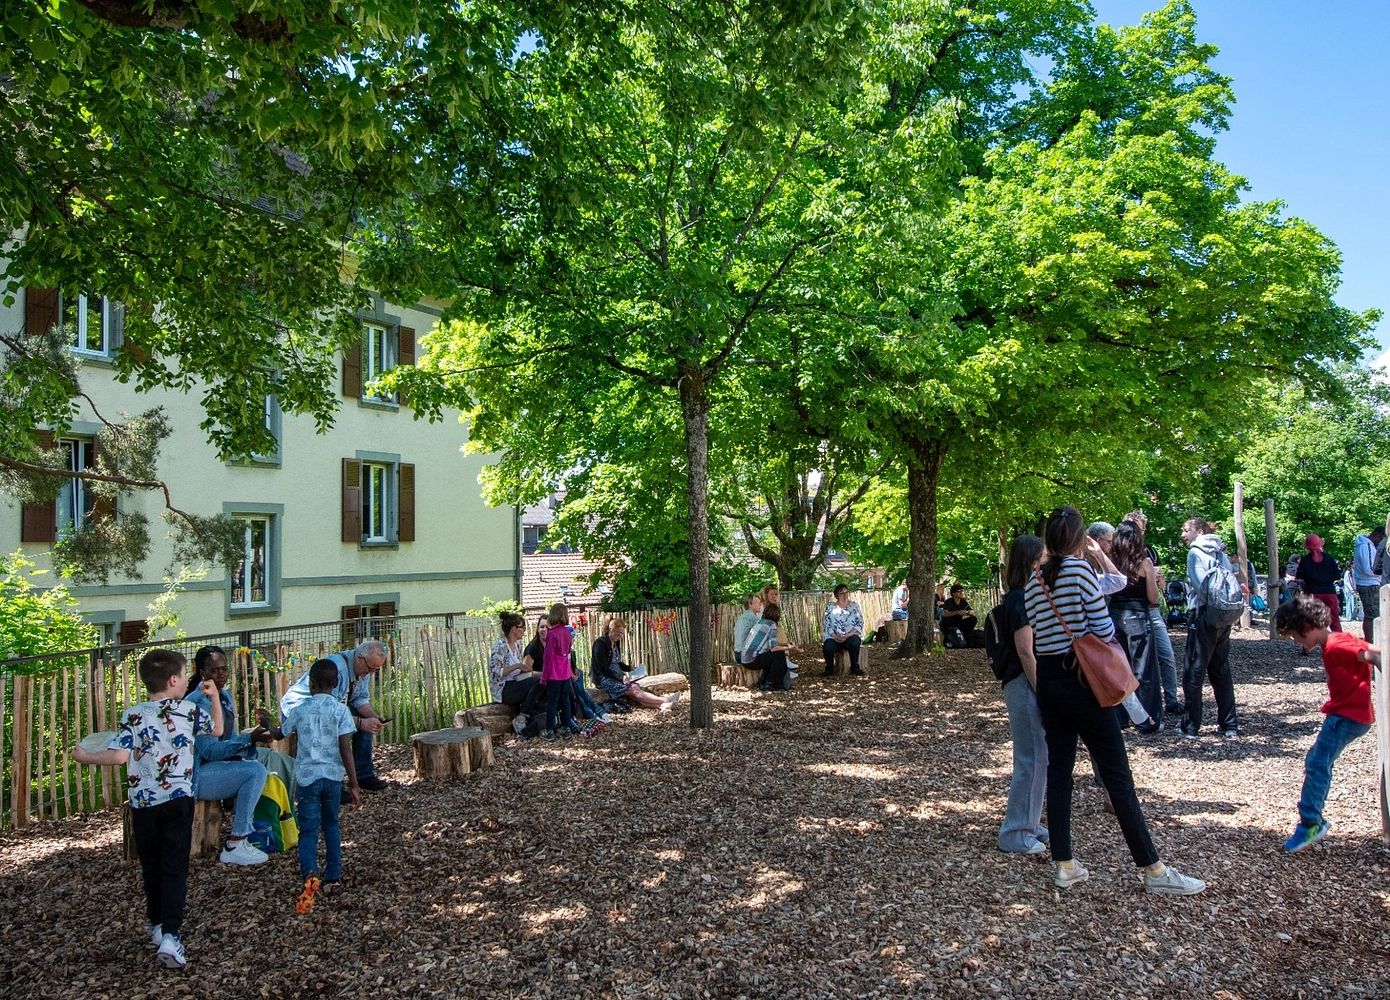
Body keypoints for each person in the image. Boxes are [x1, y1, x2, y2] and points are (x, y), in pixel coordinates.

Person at [1025, 506, 1205, 895]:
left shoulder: (1034, 580)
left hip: (1051, 681)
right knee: (1118, 777)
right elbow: (1103, 627)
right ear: (1077, 539)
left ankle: (1065, 863)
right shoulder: (1079, 572)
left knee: (1060, 773)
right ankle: (1153, 869)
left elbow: (1040, 632)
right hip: (1084, 682)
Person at [72, 649, 222, 968]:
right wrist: (216, 697)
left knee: (151, 865)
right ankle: (171, 935)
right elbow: (218, 731)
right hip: (179, 800)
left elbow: (117, 757)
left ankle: (155, 924)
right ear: (173, 680)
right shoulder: (188, 710)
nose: (187, 681)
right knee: (174, 867)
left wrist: (85, 757)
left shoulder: (134, 714)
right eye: (184, 676)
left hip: (143, 802)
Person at [1273, 595, 1380, 852]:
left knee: (1317, 762)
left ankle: (1311, 822)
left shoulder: (1335, 645)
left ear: (1309, 626)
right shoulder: (1336, 641)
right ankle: (1312, 819)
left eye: (1296, 636)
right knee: (1320, 761)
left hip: (1347, 716)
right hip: (1347, 714)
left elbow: (1376, 653)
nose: (1297, 642)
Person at [260, 658, 360, 912]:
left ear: (311, 684)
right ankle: (334, 877)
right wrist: (355, 784)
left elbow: (280, 733)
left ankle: (310, 873)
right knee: (331, 826)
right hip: (332, 777)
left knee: (308, 830)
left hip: (306, 778)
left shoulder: (300, 709)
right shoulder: (340, 711)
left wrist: (268, 722)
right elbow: (345, 750)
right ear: (336, 683)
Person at [184, 645, 272, 865]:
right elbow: (210, 751)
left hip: (217, 767)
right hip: (196, 776)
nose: (221, 674)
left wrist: (247, 745)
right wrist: (249, 740)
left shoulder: (225, 697)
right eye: (215, 670)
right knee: (255, 771)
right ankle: (236, 841)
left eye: (225, 669)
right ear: (201, 672)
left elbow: (230, 739)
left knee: (265, 764)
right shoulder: (197, 704)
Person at [268, 639, 390, 792]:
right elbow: (328, 713)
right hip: (300, 708)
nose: (371, 673)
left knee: (367, 722)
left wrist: (374, 718)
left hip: (327, 709)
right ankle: (332, 785)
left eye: (375, 670)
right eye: (371, 669)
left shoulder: (362, 668)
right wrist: (360, 723)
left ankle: (363, 775)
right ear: (359, 659)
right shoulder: (337, 668)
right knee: (339, 732)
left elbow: (359, 699)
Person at [993, 534, 1049, 855]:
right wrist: (1043, 692)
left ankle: (1028, 821)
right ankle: (1015, 833)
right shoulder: (1020, 598)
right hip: (1024, 683)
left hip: (1026, 682)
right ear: (1032, 563)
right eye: (1043, 557)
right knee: (1031, 758)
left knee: (1038, 757)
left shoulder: (1027, 596)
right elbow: (1026, 652)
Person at [1180, 518, 1240, 739]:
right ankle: (1229, 724)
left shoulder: (1195, 553)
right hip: (1223, 615)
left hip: (1204, 614)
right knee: (1220, 669)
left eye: (1186, 530)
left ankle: (1191, 725)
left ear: (1199, 531)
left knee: (1194, 669)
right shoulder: (1220, 552)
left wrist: (1208, 606)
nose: (1183, 534)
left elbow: (1199, 585)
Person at [1125, 510, 1183, 715]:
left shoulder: (1150, 552)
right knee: (1132, 660)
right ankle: (1134, 707)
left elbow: (1161, 584)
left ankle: (1171, 699)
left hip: (1151, 610)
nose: (1136, 532)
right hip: (1128, 610)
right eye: (1132, 527)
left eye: (1139, 529)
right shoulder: (1115, 552)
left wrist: (1157, 579)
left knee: (1166, 654)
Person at [1108, 522, 1163, 728]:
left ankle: (1120, 718)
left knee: (1119, 670)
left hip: (1113, 616)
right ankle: (1147, 719)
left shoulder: (1110, 562)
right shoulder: (1144, 563)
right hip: (1138, 616)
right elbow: (1153, 598)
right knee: (1143, 670)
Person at [591, 617, 681, 712]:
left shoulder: (615, 642)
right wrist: (621, 677)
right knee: (633, 690)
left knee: (635, 687)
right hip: (603, 679)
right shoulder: (600, 643)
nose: (621, 636)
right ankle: (666, 700)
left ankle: (662, 706)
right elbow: (603, 668)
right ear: (611, 629)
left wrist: (629, 668)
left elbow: (616, 662)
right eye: (619, 633)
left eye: (622, 633)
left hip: (615, 677)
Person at [490, 612, 544, 735]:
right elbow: (497, 672)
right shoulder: (500, 646)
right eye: (522, 627)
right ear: (514, 629)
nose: (524, 631)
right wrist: (518, 665)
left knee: (542, 679)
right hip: (503, 689)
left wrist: (524, 671)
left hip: (515, 682)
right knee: (538, 681)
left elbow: (516, 673)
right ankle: (522, 718)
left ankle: (529, 715)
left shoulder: (517, 645)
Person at [540, 603, 577, 741]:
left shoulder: (552, 634)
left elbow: (548, 657)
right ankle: (566, 728)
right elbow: (567, 651)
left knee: (552, 702)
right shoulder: (567, 632)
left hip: (554, 674)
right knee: (565, 701)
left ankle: (549, 730)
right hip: (565, 673)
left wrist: (544, 677)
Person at [742, 603, 799, 690]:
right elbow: (773, 648)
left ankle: (766, 681)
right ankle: (772, 683)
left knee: (774, 655)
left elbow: (771, 643)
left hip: (745, 659)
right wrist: (789, 648)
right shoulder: (772, 625)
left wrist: (785, 644)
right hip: (752, 660)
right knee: (779, 654)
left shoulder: (761, 622)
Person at [1295, 533, 1343, 633]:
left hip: (1312, 592)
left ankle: (1307, 646)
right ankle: (1340, 645)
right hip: (1329, 592)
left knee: (1309, 619)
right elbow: (1337, 576)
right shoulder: (1329, 558)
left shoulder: (1305, 560)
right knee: (1334, 619)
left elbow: (1299, 576)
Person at [822, 584, 866, 676]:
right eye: (841, 593)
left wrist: (848, 635)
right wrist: (835, 635)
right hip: (834, 637)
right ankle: (830, 668)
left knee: (854, 642)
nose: (845, 595)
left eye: (846, 592)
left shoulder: (854, 606)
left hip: (850, 635)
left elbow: (859, 623)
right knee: (827, 647)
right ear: (837, 595)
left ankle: (855, 666)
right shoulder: (831, 607)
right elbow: (827, 624)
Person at [1352, 525, 1385, 643]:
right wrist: (1382, 573)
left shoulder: (1365, 545)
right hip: (1369, 585)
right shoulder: (1366, 546)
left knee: (1369, 615)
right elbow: (1369, 568)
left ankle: (1370, 641)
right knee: (1373, 616)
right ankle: (1372, 641)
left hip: (1367, 584)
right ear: (1378, 536)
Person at [733, 594, 763, 664]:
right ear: (750, 604)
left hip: (737, 654)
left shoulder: (741, 617)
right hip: (746, 656)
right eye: (758, 603)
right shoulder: (754, 618)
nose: (760, 605)